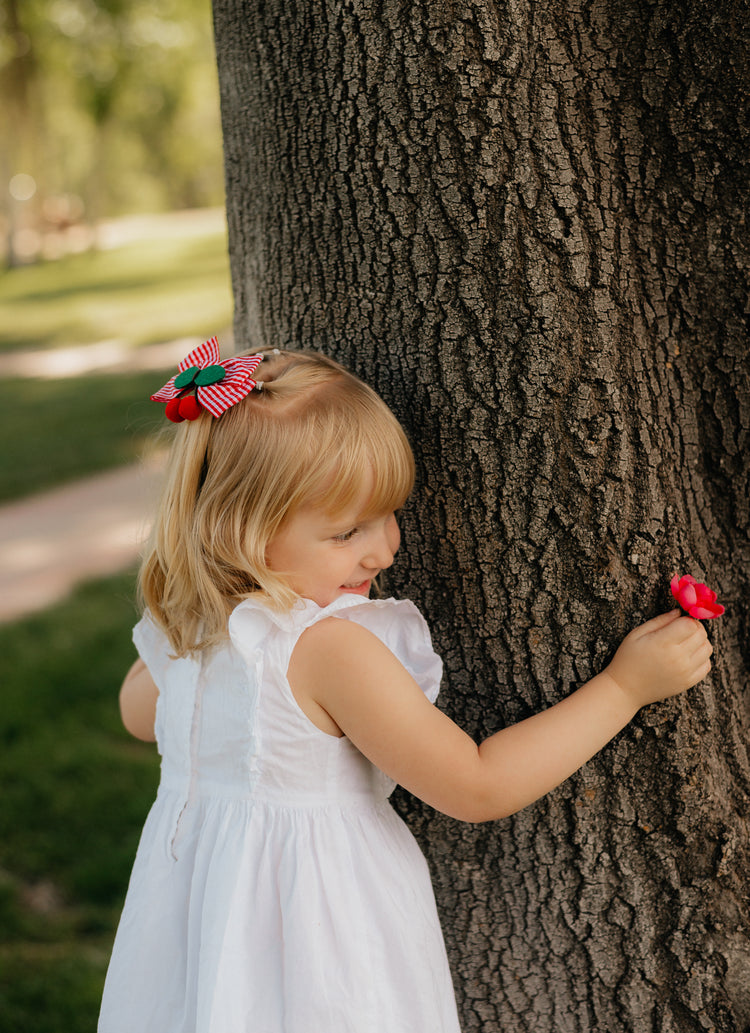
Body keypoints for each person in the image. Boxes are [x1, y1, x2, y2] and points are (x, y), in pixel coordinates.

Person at [98, 339, 713, 1033]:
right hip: (320, 949)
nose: (384, 548)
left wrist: (186, 603)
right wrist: (624, 687)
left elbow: (136, 713)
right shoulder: (326, 649)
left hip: (200, 929)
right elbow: (476, 785)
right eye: (346, 532)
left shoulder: (193, 628)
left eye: (389, 514)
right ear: (240, 533)